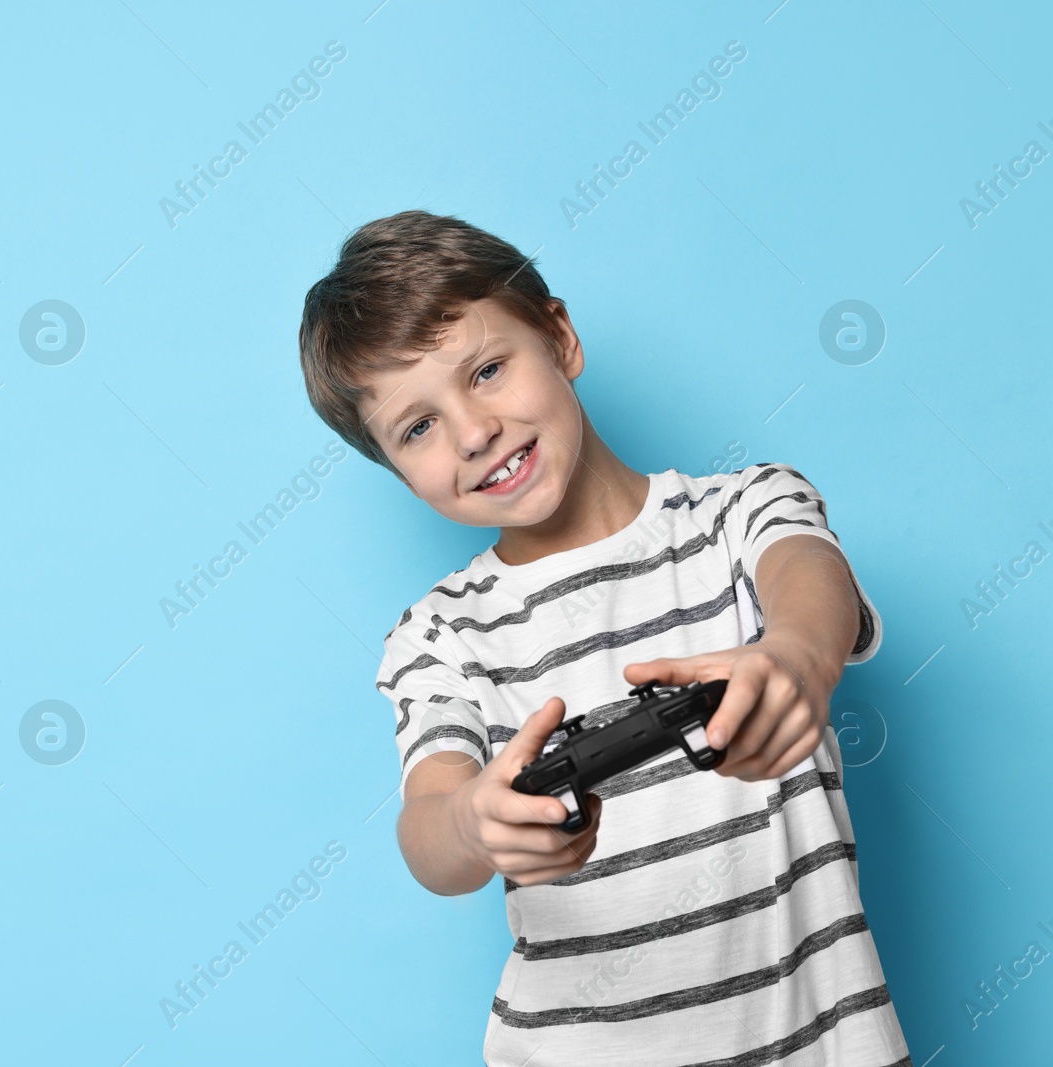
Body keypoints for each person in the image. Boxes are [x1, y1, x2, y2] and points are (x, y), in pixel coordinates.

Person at [296, 210, 910, 1065]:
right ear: (396, 469)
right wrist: (476, 826)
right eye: (418, 427)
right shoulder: (441, 634)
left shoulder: (741, 511)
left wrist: (799, 655)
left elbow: (811, 580)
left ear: (560, 337)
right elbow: (428, 826)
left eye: (487, 369)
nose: (474, 433)